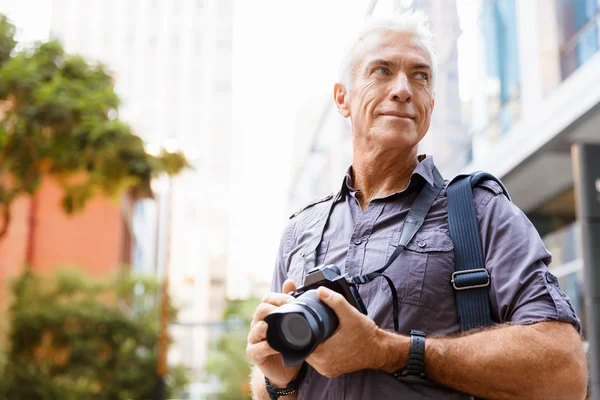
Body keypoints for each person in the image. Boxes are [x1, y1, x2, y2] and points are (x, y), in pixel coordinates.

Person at [246, 10, 588, 400]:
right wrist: (276, 380)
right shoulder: (299, 232)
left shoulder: (480, 212)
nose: (404, 89)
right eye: (382, 71)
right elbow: (274, 387)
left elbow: (565, 371)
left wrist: (390, 351)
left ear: (431, 102)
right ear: (343, 98)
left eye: (420, 75)